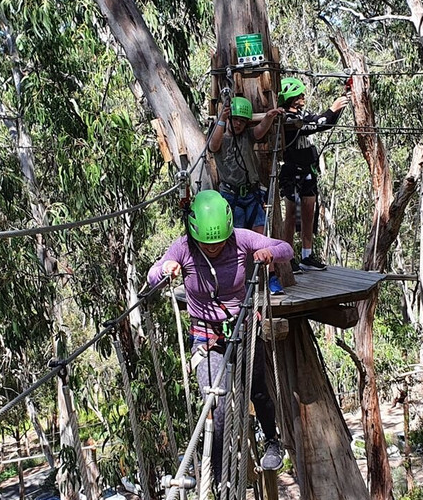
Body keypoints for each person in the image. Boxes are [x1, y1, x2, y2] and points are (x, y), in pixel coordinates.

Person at [147, 190, 293, 473]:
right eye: (206, 243)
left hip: (243, 327)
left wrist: (269, 251)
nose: (213, 248)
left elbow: (286, 248)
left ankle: (272, 442)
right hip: (207, 337)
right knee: (217, 400)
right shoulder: (183, 248)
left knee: (258, 392)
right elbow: (152, 278)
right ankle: (217, 470)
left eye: (218, 242)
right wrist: (166, 268)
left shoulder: (241, 239)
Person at [209, 96, 285, 292]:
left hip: (251, 195)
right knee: (235, 242)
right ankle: (236, 283)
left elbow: (259, 132)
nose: (239, 124)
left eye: (243, 121)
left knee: (261, 238)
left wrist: (268, 117)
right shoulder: (221, 136)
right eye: (236, 119)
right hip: (231, 197)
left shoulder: (246, 137)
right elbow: (213, 146)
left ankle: (271, 278)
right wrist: (221, 120)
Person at [277, 77, 349, 270]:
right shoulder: (286, 118)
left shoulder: (302, 114)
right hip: (292, 171)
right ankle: (287, 256)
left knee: (309, 211)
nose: (303, 97)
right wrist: (332, 109)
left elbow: (323, 123)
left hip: (308, 169)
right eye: (300, 95)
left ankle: (307, 256)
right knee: (291, 214)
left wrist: (339, 106)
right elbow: (313, 125)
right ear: (291, 98)